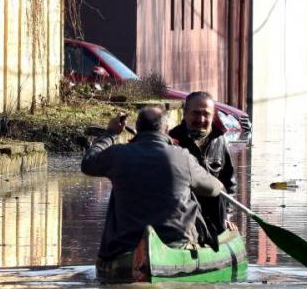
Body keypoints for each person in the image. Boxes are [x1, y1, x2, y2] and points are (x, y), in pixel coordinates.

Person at [81, 105, 224, 278]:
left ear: (138, 128)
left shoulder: (117, 155)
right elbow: (215, 188)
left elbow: (88, 163)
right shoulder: (182, 156)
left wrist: (110, 134)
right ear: (166, 129)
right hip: (175, 244)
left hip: (123, 247)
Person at [167, 90, 236, 237]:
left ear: (213, 116)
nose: (201, 119)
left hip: (214, 219)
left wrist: (227, 216)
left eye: (206, 114)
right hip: (183, 219)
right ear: (184, 113)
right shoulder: (171, 140)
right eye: (196, 113)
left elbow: (229, 184)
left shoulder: (220, 140)